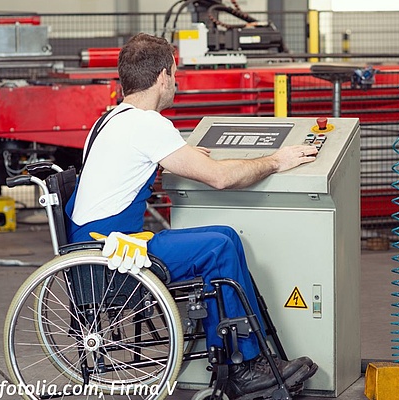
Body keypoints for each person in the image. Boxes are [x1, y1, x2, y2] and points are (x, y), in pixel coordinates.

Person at [64, 32, 319, 399]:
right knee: (217, 246)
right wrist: (277, 160)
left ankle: (244, 356)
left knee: (226, 237)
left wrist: (184, 155)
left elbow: (135, 165)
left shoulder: (110, 120)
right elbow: (220, 178)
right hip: (113, 256)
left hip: (94, 248)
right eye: (175, 74)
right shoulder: (147, 124)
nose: (176, 82)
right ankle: (244, 366)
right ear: (163, 77)